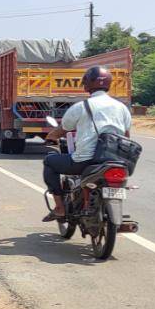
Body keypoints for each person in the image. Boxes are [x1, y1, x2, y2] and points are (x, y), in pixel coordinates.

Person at [41, 66, 132, 222]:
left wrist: (51, 136)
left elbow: (63, 129)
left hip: (86, 160)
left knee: (49, 162)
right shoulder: (122, 108)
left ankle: (60, 208)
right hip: (117, 160)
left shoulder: (81, 106)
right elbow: (126, 136)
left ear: (87, 84)